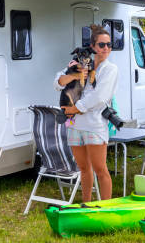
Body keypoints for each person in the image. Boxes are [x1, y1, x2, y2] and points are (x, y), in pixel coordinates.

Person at [54, 25, 117, 201]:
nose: (106, 48)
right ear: (93, 47)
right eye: (102, 45)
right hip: (74, 125)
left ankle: (106, 208)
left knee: (100, 169)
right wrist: (75, 75)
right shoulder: (80, 64)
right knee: (83, 168)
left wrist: (74, 109)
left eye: (109, 45)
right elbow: (58, 82)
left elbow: (99, 96)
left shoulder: (110, 69)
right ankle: (86, 204)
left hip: (94, 125)